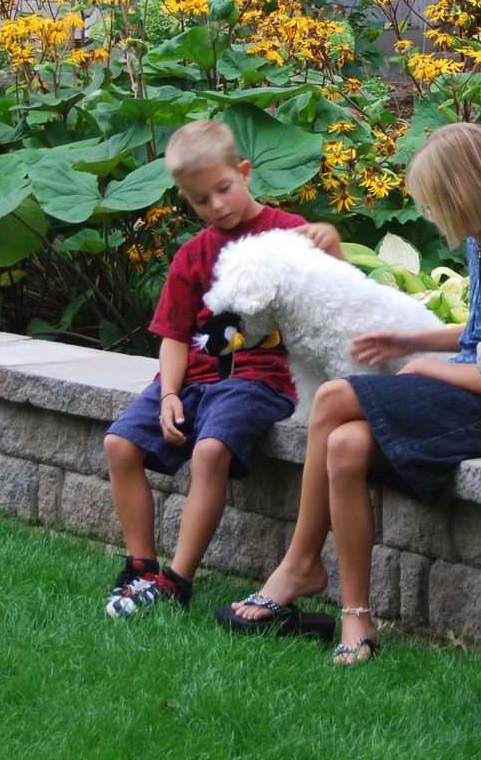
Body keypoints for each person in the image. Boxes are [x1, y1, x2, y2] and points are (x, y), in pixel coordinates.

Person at [216, 122, 481, 664]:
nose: (428, 214)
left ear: (463, 196)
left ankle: (300, 565)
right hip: (478, 395)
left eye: (433, 204)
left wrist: (424, 369)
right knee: (344, 445)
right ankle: (356, 618)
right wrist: (409, 339)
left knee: (336, 397)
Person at [101, 119, 341, 616]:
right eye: (200, 200)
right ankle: (140, 567)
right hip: (194, 379)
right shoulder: (193, 255)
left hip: (260, 378)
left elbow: (333, 292)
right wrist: (168, 394)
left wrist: (330, 242)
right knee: (119, 444)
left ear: (245, 172)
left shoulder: (287, 233)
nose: (216, 206)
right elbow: (173, 336)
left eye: (223, 189)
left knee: (210, 451)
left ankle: (177, 581)